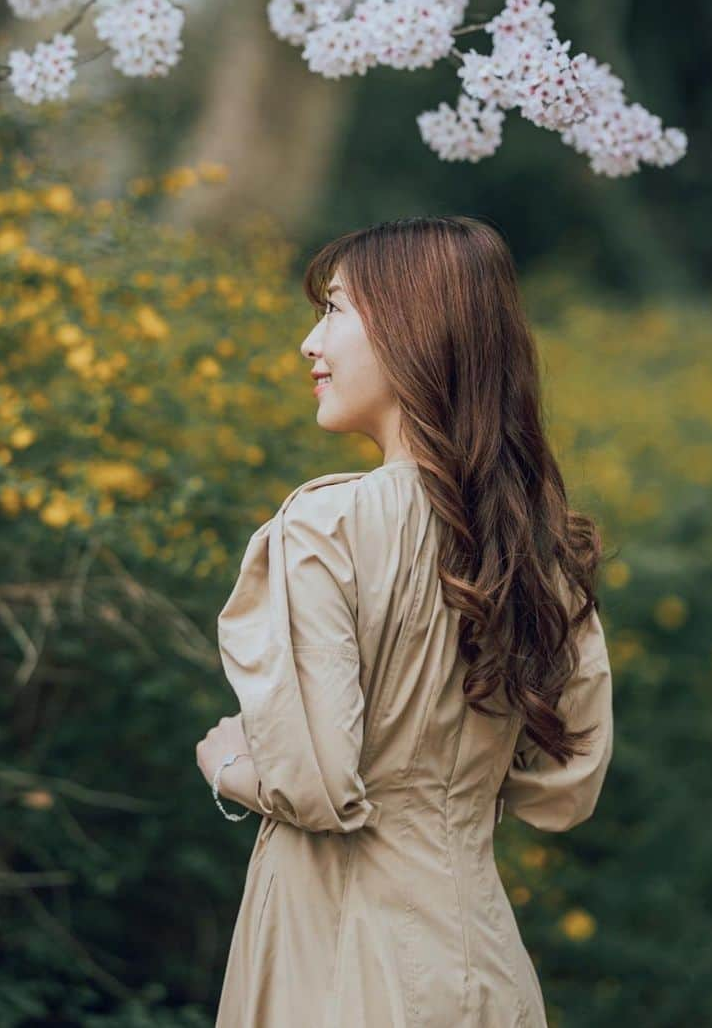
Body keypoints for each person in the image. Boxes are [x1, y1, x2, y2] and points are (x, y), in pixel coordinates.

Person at [195, 216, 614, 1028]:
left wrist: (224, 760)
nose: (309, 344)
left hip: (339, 968)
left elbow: (314, 786)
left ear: (414, 329)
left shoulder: (326, 529)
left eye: (337, 309)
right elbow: (563, 787)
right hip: (484, 967)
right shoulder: (537, 548)